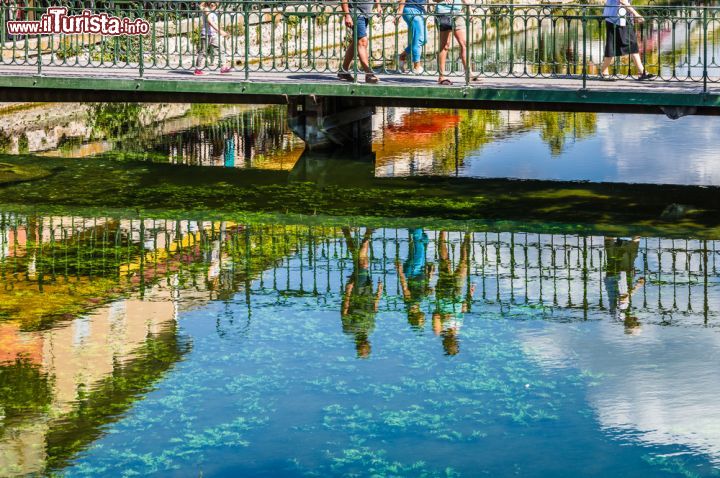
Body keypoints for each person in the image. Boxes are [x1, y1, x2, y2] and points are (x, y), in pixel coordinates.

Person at [341, 227, 383, 358]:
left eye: (363, 349)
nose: (365, 346)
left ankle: (367, 234)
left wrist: (348, 291)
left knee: (362, 264)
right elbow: (374, 310)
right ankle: (347, 232)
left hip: (357, 292)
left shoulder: (349, 329)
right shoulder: (370, 329)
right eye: (366, 348)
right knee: (358, 262)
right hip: (367, 291)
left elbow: (344, 310)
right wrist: (378, 293)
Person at [432, 231, 474, 355]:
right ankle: (467, 235)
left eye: (451, 345)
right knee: (464, 263)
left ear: (445, 344)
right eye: (455, 345)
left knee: (445, 262)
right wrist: (470, 295)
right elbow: (463, 310)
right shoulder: (458, 328)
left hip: (444, 293)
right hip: (458, 292)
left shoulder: (438, 331)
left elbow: (435, 315)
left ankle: (442, 233)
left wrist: (445, 316)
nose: (454, 343)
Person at [600, 0, 654, 80]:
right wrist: (636, 15)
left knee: (630, 44)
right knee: (613, 45)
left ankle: (641, 72)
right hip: (616, 19)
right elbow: (623, 1)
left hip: (619, 19)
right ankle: (604, 71)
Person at [603, 236, 645, 334]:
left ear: (632, 323)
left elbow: (623, 298)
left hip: (618, 278)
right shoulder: (619, 315)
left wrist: (638, 285)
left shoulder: (622, 312)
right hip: (611, 280)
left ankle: (634, 240)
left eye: (637, 322)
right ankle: (610, 238)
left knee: (629, 257)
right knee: (612, 258)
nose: (637, 319)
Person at [396, 228, 434, 330]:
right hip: (419, 271)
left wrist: (399, 271)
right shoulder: (416, 303)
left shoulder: (410, 303)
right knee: (422, 245)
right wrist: (429, 276)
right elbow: (422, 287)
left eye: (422, 321)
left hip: (413, 271)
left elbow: (405, 287)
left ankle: (416, 226)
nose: (424, 319)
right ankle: (416, 230)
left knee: (419, 246)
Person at [434, 0, 479, 86]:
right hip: (443, 13)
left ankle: (468, 74)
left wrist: (469, 9)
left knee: (464, 44)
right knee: (445, 46)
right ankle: (441, 77)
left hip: (458, 13)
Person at [338, 0, 381, 83]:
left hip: (366, 14)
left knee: (356, 42)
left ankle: (343, 71)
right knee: (362, 41)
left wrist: (378, 5)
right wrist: (347, 15)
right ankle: (369, 74)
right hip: (356, 13)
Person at [194, 1, 231, 76]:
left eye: (217, 3)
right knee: (203, 52)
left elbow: (201, 5)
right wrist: (221, 31)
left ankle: (223, 67)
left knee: (221, 49)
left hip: (213, 35)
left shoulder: (209, 10)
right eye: (213, 3)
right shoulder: (206, 10)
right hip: (206, 35)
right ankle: (198, 70)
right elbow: (210, 21)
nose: (215, 4)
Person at [396, 0, 427, 75]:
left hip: (420, 10)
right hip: (410, 9)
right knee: (418, 39)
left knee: (424, 39)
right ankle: (416, 67)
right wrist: (399, 12)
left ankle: (402, 56)